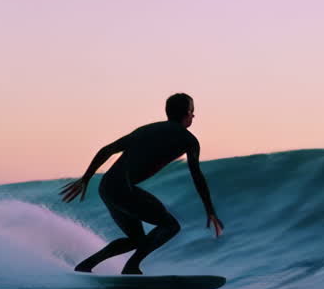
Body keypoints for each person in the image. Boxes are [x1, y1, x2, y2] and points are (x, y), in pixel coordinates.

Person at [60, 93, 224, 274]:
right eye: (192, 111)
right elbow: (197, 176)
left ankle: (85, 266)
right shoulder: (188, 140)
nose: (193, 116)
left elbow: (107, 150)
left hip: (107, 187)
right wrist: (209, 209)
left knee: (136, 240)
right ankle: (131, 267)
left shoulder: (145, 130)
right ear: (187, 113)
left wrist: (86, 178)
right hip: (123, 188)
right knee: (170, 226)